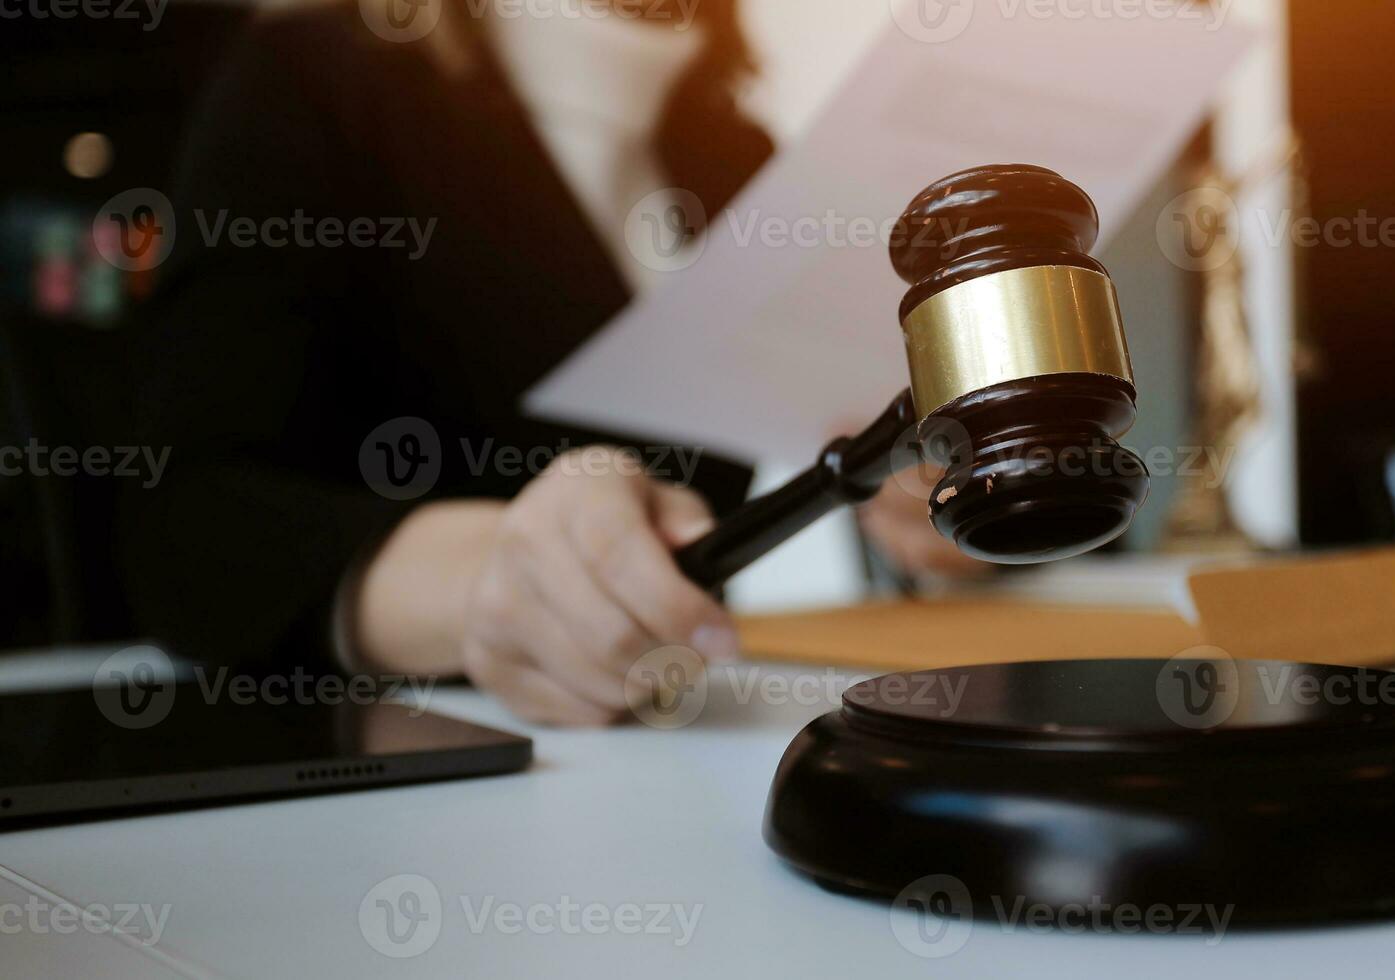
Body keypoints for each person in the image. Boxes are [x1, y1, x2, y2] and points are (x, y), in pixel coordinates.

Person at [117, 0, 983, 726]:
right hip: (413, 762)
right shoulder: (316, 82)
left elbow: (841, 444)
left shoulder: (733, 155)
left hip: (678, 743)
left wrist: (929, 505)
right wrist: (493, 578)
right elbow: (188, 524)